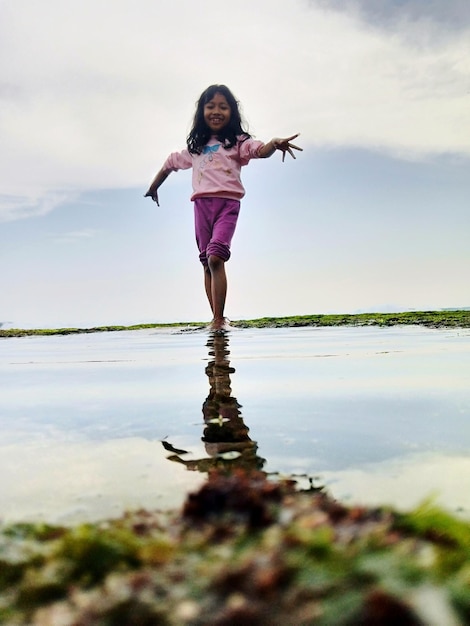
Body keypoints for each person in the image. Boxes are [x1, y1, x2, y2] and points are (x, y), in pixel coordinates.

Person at [145, 84, 302, 331]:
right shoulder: (196, 148)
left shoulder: (237, 142)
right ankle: (215, 318)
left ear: (232, 112)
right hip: (201, 206)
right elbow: (170, 163)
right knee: (207, 262)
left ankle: (220, 319)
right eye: (210, 106)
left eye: (222, 107)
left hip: (227, 205)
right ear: (202, 112)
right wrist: (154, 186)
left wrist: (274, 143)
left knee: (216, 256)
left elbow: (259, 150)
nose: (216, 111)